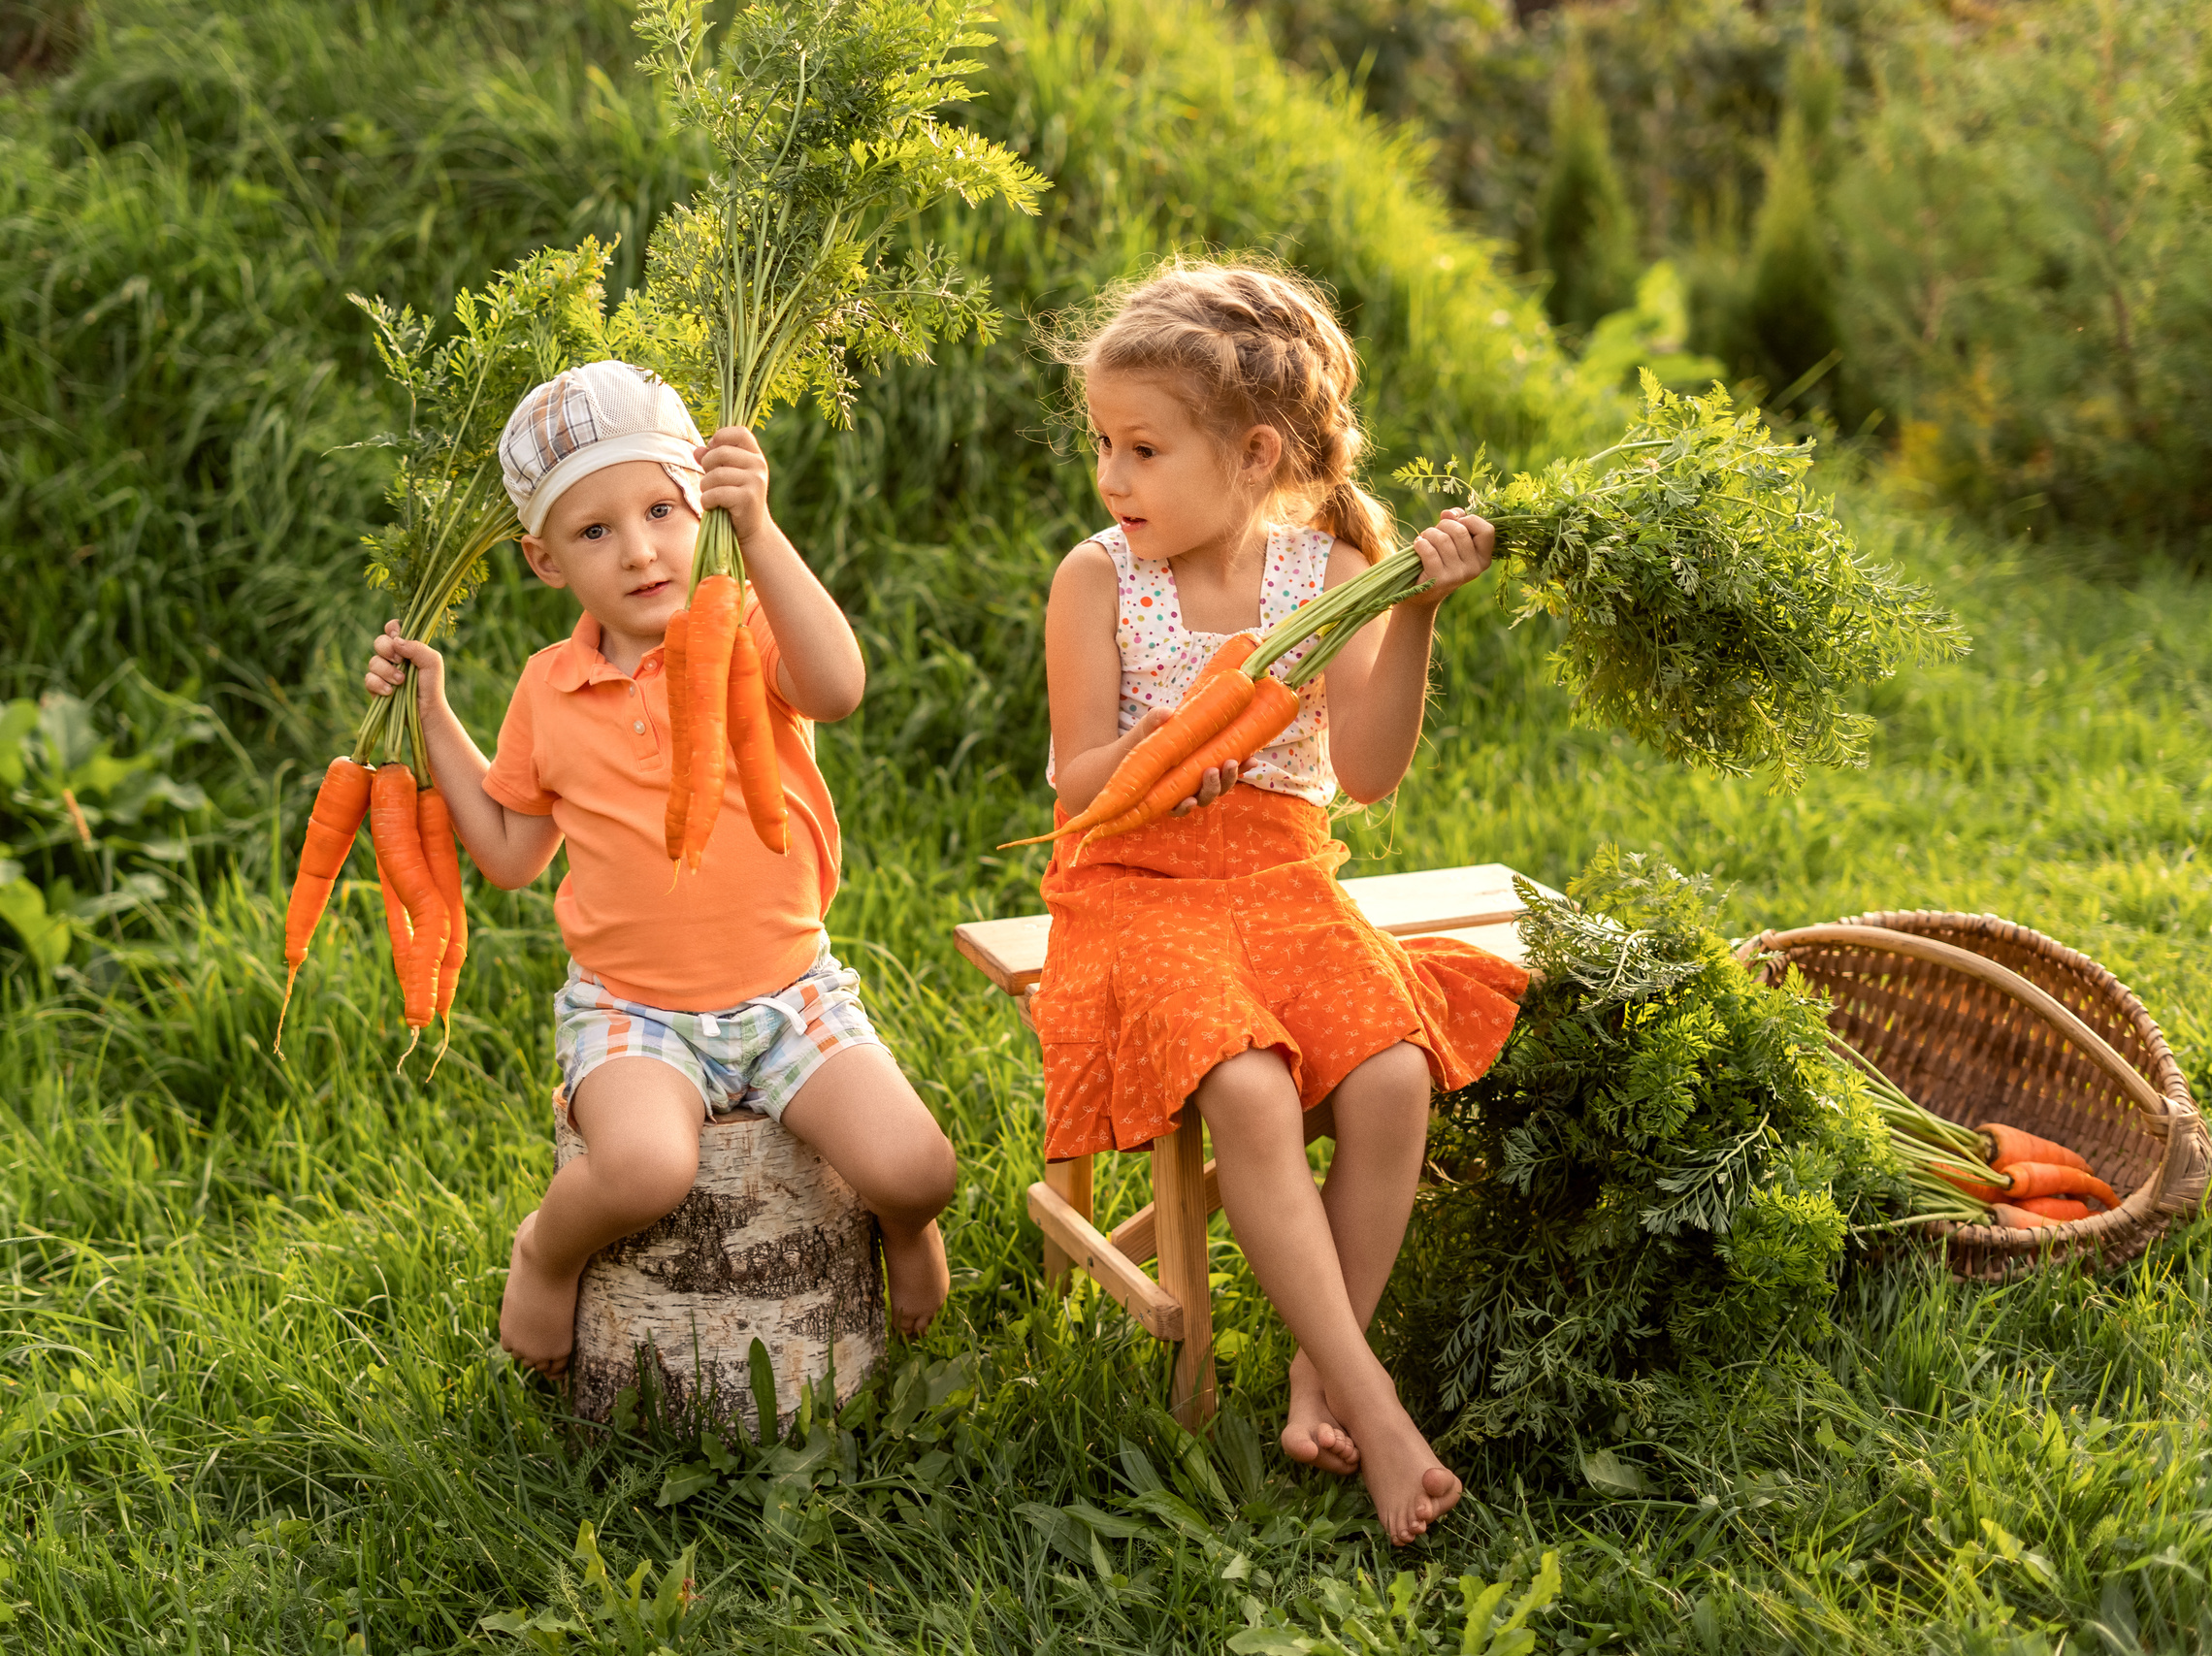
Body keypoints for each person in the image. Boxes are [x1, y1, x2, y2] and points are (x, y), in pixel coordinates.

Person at [1033, 261, 1527, 1544]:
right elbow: (1080, 780)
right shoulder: (1097, 580)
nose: (1111, 477)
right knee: (1247, 1084)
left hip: (1283, 870)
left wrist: (1413, 612)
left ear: (1255, 455)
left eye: (1142, 448)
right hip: (1134, 875)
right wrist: (1193, 732)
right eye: (1103, 444)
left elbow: (1362, 771)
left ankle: (1322, 1363)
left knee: (1392, 1074)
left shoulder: (1341, 561)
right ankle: (1374, 1403)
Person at [363, 360, 958, 1378]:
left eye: (661, 509)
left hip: (788, 992)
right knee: (642, 1169)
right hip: (634, 1010)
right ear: (545, 561)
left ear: (703, 507)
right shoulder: (549, 690)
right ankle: (544, 1254)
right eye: (594, 531)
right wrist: (432, 714)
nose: (638, 551)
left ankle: (895, 1232)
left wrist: (760, 535)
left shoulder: (746, 630)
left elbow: (840, 686)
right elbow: (509, 856)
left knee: (920, 1168)